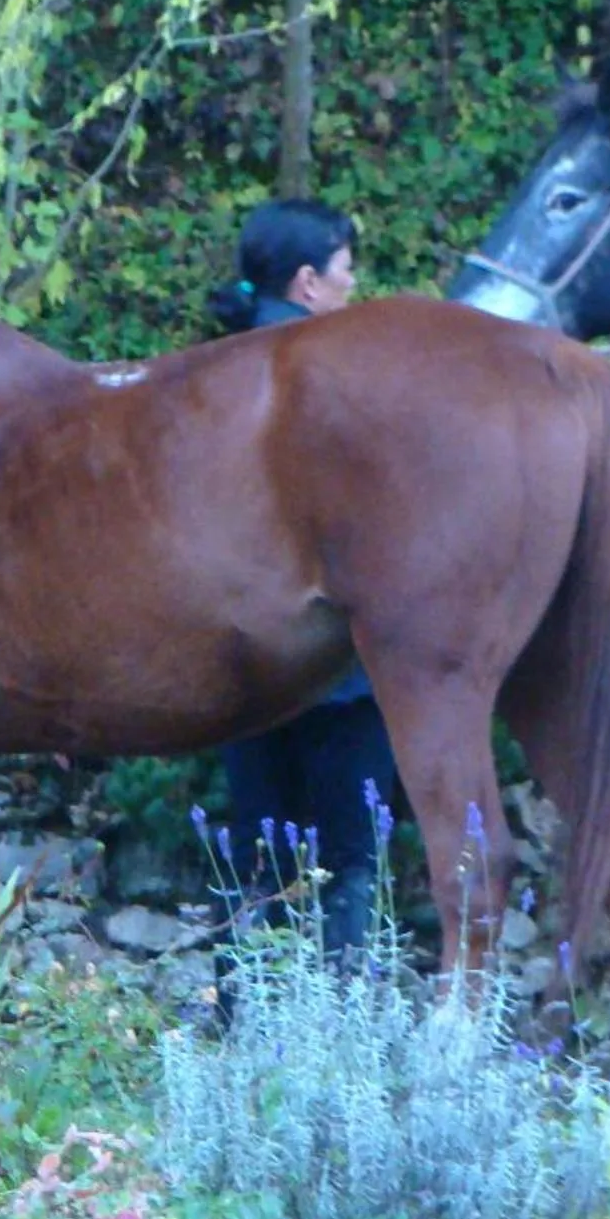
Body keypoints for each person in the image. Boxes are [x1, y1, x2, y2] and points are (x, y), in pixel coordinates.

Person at [204, 198, 397, 958]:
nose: (356, 287)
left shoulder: (209, 376)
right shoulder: (339, 381)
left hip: (240, 666)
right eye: (349, 273)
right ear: (310, 282)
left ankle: (247, 1025)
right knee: (351, 859)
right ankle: (344, 1032)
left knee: (259, 857)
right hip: (337, 668)